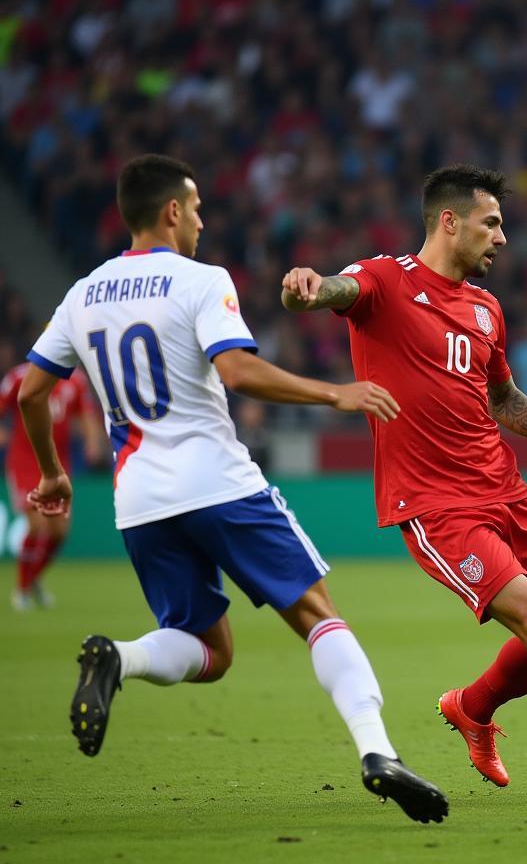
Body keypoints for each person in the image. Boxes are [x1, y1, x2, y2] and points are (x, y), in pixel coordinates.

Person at [18, 154, 447, 824]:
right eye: (194, 208)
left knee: (210, 650)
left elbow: (33, 390)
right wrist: (337, 393)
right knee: (315, 612)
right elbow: (239, 371)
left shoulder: (82, 294)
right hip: (216, 480)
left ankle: (118, 659)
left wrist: (51, 469)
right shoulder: (199, 279)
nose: (202, 220)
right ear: (170, 212)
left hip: (138, 501)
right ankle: (377, 751)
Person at [281, 164, 527, 806]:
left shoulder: (486, 309)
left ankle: (471, 707)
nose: (501, 237)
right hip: (437, 507)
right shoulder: (387, 280)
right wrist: (309, 287)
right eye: (491, 223)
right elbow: (337, 289)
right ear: (450, 221)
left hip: (506, 491)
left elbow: (501, 397)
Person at [1, 360, 105, 609]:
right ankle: (23, 589)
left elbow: (87, 414)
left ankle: (33, 577)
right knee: (36, 525)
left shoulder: (75, 380)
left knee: (59, 532)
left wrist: (92, 441)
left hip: (58, 465)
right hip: (25, 463)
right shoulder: (19, 377)